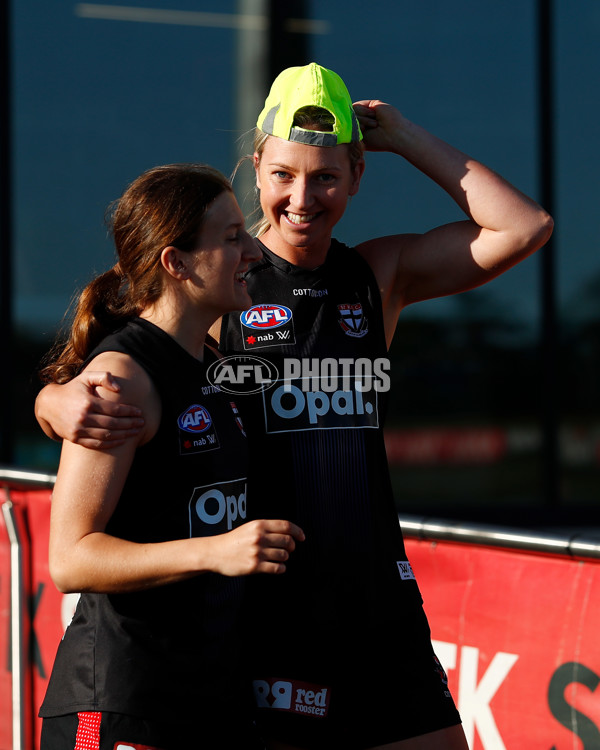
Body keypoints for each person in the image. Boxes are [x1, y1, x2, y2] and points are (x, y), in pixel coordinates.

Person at [35, 64, 553, 749]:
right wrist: (55, 401)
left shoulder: (375, 277)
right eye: (283, 175)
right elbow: (123, 365)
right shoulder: (223, 286)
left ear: (358, 177)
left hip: (376, 600)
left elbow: (525, 227)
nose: (302, 198)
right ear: (257, 170)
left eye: (326, 177)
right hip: (264, 605)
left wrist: (405, 135)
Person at [37, 163, 305, 750]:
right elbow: (70, 560)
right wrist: (218, 550)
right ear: (176, 263)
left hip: (208, 703)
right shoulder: (121, 377)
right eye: (231, 237)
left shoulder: (209, 360)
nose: (253, 253)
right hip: (123, 700)